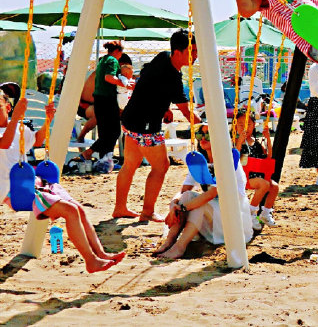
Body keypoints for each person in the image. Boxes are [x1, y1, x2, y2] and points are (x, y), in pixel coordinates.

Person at [0, 84, 124, 273]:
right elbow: (4, 143)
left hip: (31, 182)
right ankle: (91, 261)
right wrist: (16, 117)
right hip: (13, 188)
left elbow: (38, 141)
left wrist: (47, 120)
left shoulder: (19, 127)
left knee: (78, 209)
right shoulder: (9, 128)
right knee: (69, 211)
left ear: (7, 106)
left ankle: (101, 253)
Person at [113, 30, 198, 221]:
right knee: (161, 166)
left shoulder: (163, 57)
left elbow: (149, 81)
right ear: (178, 52)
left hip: (130, 119)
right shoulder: (174, 78)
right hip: (145, 125)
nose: (196, 56)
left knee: (129, 164)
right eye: (192, 51)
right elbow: (186, 112)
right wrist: (204, 126)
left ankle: (120, 208)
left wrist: (165, 107)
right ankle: (148, 212)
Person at [153, 123, 254, 259]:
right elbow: (184, 190)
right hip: (213, 213)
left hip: (232, 216)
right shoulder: (200, 161)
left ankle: (180, 247)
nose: (203, 138)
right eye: (200, 134)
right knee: (188, 196)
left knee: (198, 204)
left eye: (208, 134)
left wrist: (181, 207)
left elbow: (212, 194)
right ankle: (169, 242)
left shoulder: (227, 161)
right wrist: (174, 203)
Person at [81, 41, 131, 164]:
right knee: (114, 132)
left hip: (98, 100)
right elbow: (109, 78)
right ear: (118, 51)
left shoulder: (103, 60)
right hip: (107, 100)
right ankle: (91, 153)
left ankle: (105, 160)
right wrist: (125, 84)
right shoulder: (113, 61)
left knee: (105, 132)